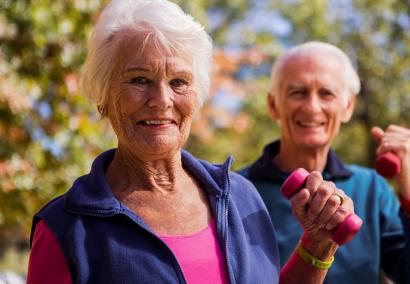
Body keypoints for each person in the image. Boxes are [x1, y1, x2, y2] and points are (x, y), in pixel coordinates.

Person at [26, 1, 358, 283]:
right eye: (139, 79)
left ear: (196, 97)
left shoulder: (241, 197)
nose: (161, 99)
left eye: (179, 81)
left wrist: (317, 245)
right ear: (102, 96)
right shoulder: (65, 229)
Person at [239, 41, 410, 283]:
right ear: (273, 105)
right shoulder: (236, 191)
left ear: (348, 106)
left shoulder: (372, 188)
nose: (312, 107)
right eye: (297, 92)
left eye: (326, 93)